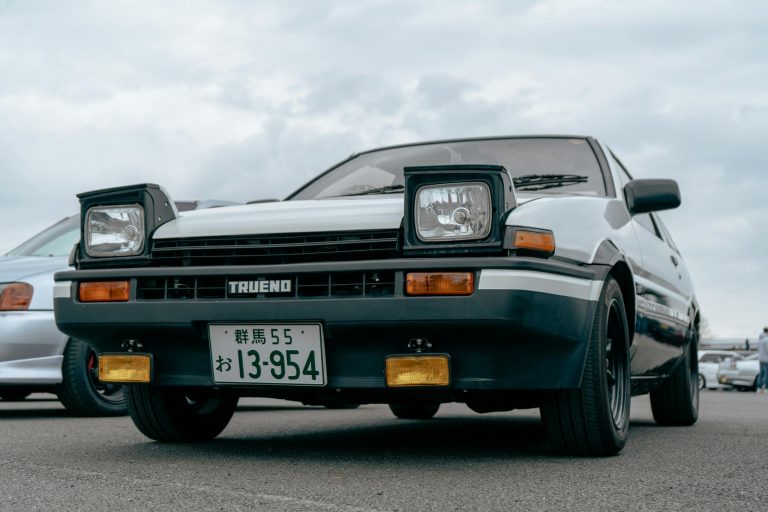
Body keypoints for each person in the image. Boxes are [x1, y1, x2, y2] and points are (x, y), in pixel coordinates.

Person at [758, 327, 768, 394]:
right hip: (766, 359)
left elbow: (757, 349)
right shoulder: (767, 340)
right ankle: (766, 388)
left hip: (760, 359)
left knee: (761, 374)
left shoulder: (760, 340)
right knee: (766, 374)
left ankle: (758, 388)